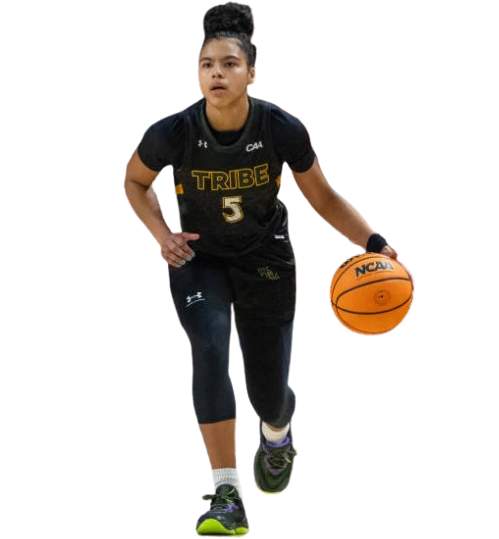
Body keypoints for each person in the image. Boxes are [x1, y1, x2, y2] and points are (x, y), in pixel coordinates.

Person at [124, 2, 404, 537]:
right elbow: (134, 181)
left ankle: (277, 435)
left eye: (229, 64)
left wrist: (374, 242)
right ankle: (227, 493)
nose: (216, 73)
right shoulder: (173, 130)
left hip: (267, 260)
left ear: (252, 72)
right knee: (209, 345)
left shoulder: (281, 127)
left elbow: (322, 197)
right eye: (207, 65)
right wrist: (162, 234)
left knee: (268, 395)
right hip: (199, 259)